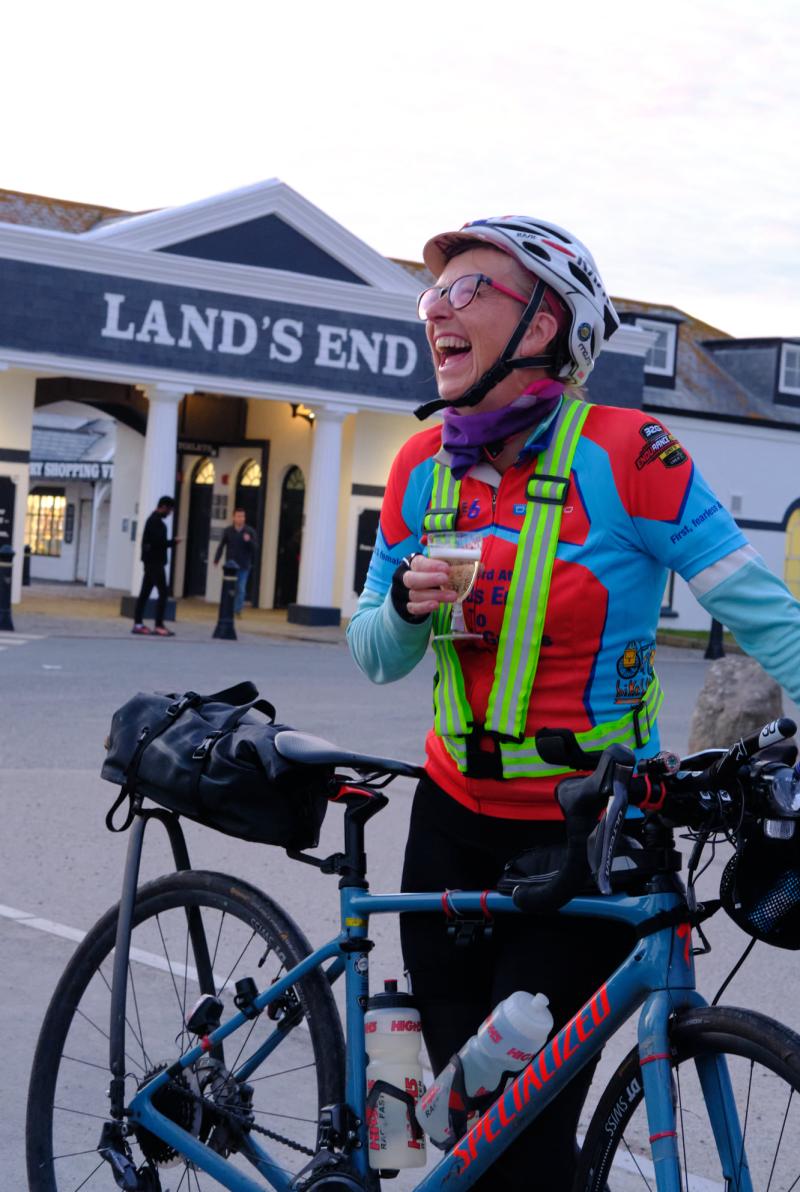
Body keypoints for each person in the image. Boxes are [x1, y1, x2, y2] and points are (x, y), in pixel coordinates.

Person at [347, 215, 800, 1190]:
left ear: (546, 322)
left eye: (468, 291)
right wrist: (398, 603)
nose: (437, 313)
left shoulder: (630, 450)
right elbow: (376, 657)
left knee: (532, 1134)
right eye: (432, 296)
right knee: (461, 1127)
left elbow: (766, 617)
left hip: (587, 833)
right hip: (447, 824)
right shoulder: (417, 469)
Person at [131, 495, 178, 637]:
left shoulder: (152, 520)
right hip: (155, 563)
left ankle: (138, 623)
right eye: (169, 510)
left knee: (144, 593)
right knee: (163, 593)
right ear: (163, 507)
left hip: (150, 562)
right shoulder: (156, 523)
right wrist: (173, 542)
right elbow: (158, 544)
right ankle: (158, 625)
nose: (169, 514)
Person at [213, 507, 259, 614]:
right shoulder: (228, 531)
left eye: (243, 516)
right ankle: (228, 608)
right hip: (230, 566)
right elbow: (221, 545)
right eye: (238, 516)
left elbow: (256, 548)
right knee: (229, 588)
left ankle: (237, 610)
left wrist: (249, 541)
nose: (241, 518)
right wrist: (216, 559)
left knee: (241, 588)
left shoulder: (250, 531)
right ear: (234, 517)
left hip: (244, 565)